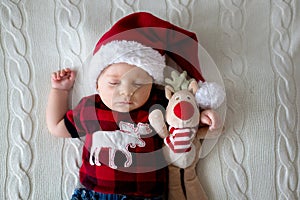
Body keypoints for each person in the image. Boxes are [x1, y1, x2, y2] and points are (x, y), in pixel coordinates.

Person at [46, 12, 223, 200]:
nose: (127, 92)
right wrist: (60, 91)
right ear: (97, 84)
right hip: (95, 193)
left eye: (138, 85)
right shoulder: (91, 107)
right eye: (114, 83)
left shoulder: (157, 103)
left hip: (146, 195)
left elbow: (181, 118)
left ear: (153, 84)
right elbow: (57, 126)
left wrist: (202, 116)